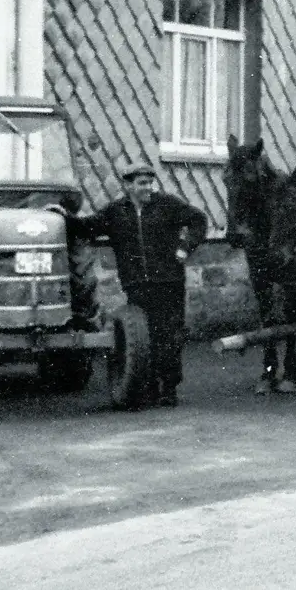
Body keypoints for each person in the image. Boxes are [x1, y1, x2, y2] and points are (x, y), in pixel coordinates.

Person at [90, 163, 208, 408]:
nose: (147, 188)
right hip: (136, 284)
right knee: (145, 336)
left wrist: (185, 248)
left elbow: (199, 220)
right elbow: (89, 226)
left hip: (168, 282)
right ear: (128, 185)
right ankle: (151, 386)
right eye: (141, 184)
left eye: (149, 183)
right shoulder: (117, 211)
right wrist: (61, 217)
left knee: (169, 335)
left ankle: (169, 388)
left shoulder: (167, 204)